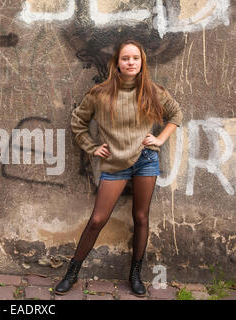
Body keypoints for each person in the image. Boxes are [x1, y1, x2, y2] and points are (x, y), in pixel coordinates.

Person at [55, 39, 183, 296]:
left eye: (136, 58)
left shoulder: (152, 91)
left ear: (142, 62)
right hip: (115, 164)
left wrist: (158, 139)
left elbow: (176, 114)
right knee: (97, 219)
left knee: (141, 217)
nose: (131, 62)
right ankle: (72, 272)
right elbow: (78, 121)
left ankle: (135, 275)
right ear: (117, 63)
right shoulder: (100, 94)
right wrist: (91, 147)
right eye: (126, 58)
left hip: (146, 160)